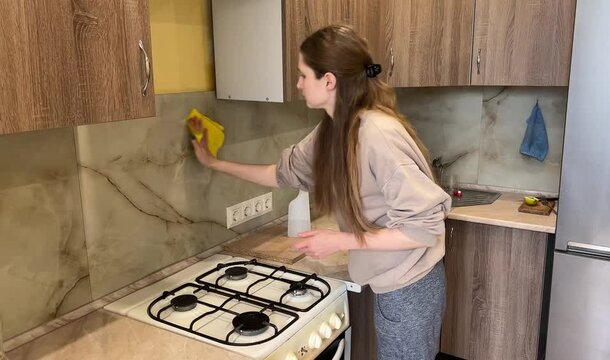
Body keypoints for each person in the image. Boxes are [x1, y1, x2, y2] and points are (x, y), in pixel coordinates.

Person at [190, 25, 451, 360]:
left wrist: (339, 241)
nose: (298, 84)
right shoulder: (333, 128)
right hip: (392, 281)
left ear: (329, 81)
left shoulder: (377, 135)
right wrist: (214, 163)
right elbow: (282, 174)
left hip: (412, 288)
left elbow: (423, 229)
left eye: (302, 75)